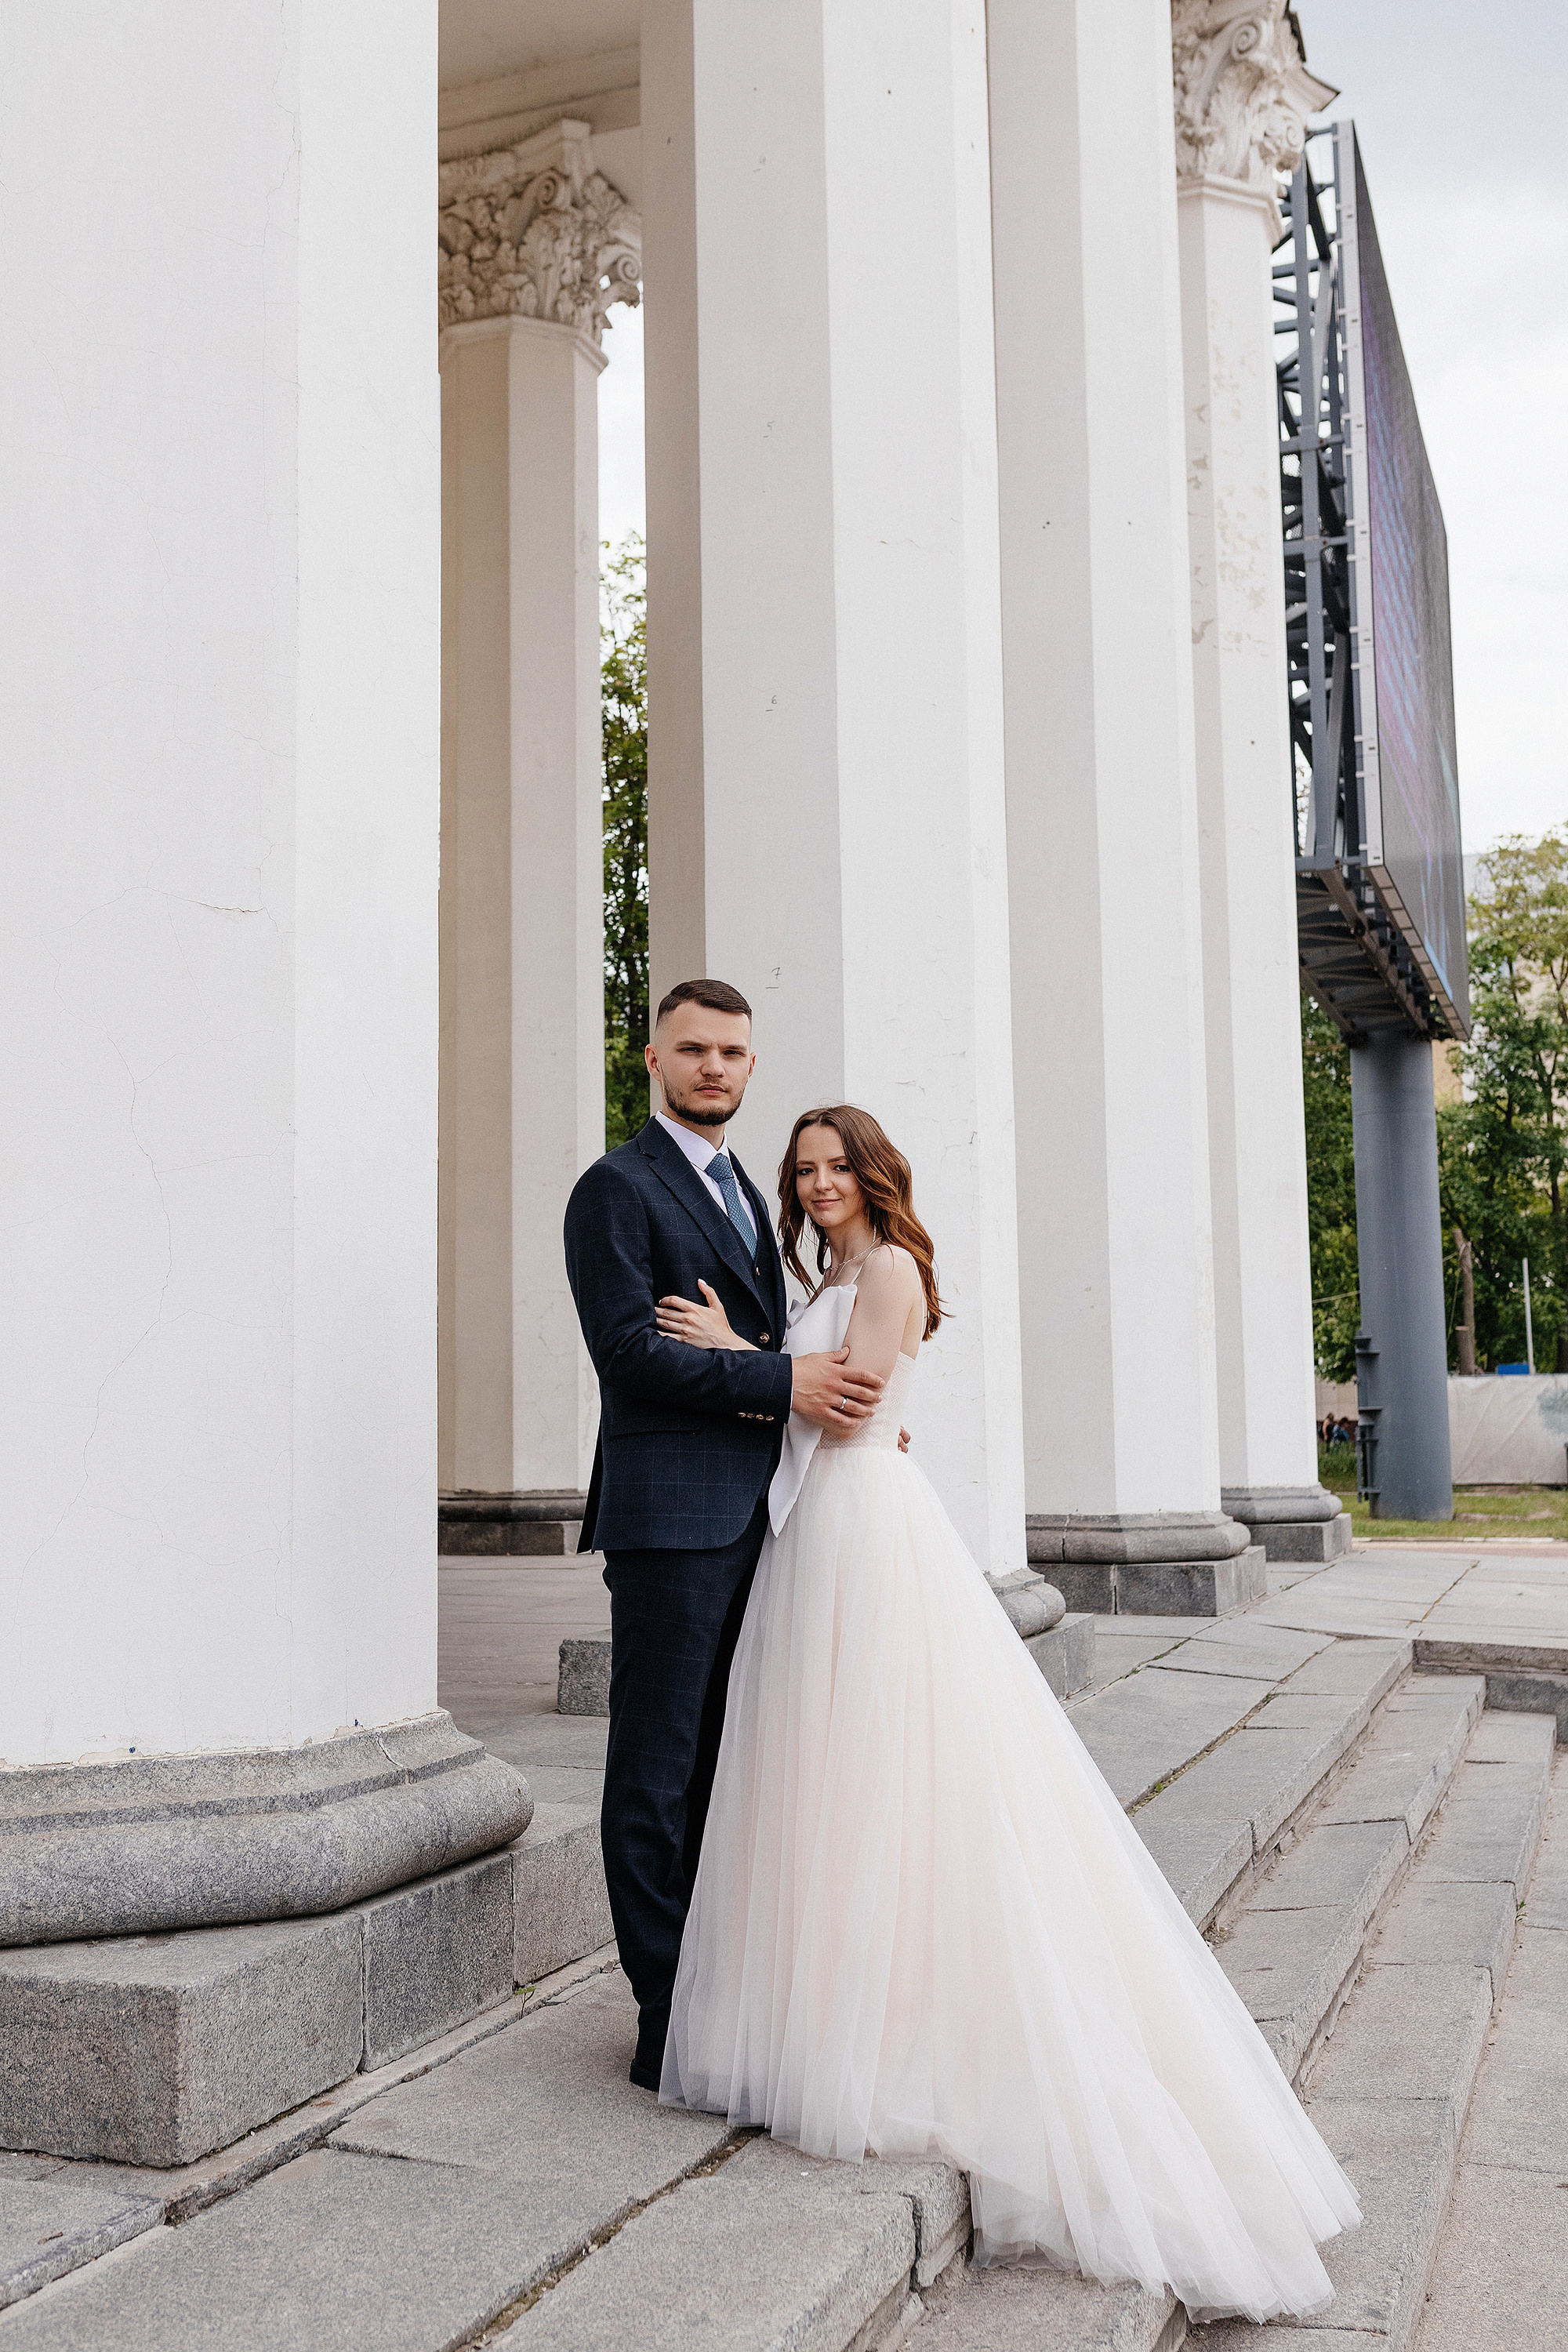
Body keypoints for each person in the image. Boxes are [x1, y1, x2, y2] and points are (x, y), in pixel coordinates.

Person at [650, 1103, 1362, 2324]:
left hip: (859, 1528)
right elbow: (842, 1393)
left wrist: (730, 1352)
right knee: (825, 1776)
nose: (820, 1184)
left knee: (878, 1767)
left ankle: (885, 2028)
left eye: (838, 1167)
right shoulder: (833, 1271)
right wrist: (775, 1360)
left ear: (878, 1174)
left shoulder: (888, 1267)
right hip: (817, 1527)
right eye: (804, 1170)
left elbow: (856, 1409)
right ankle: (832, 2009)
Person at [562, 980, 889, 2092]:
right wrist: (781, 1376)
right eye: (692, 1049)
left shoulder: (754, 1192)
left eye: (734, 1052)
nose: (714, 1067)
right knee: (655, 1777)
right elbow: (632, 1359)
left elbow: (776, 1341)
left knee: (724, 1772)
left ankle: (720, 2003)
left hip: (763, 1518)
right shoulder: (615, 1189)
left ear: (753, 1067)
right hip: (669, 1524)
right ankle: (668, 2023)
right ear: (651, 1058)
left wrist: (785, 1375)